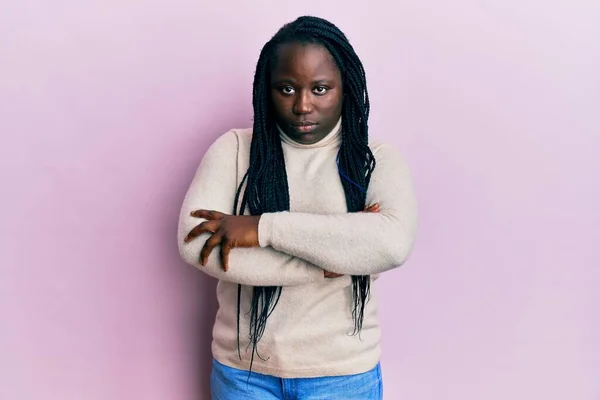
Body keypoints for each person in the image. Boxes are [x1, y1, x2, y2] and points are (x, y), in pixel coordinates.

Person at [177, 15, 418, 400]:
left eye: (320, 88)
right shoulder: (235, 150)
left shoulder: (374, 160)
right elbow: (196, 245)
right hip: (244, 375)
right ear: (266, 90)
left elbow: (391, 245)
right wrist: (332, 260)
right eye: (286, 88)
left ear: (346, 88)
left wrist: (262, 230)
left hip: (342, 376)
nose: (303, 105)